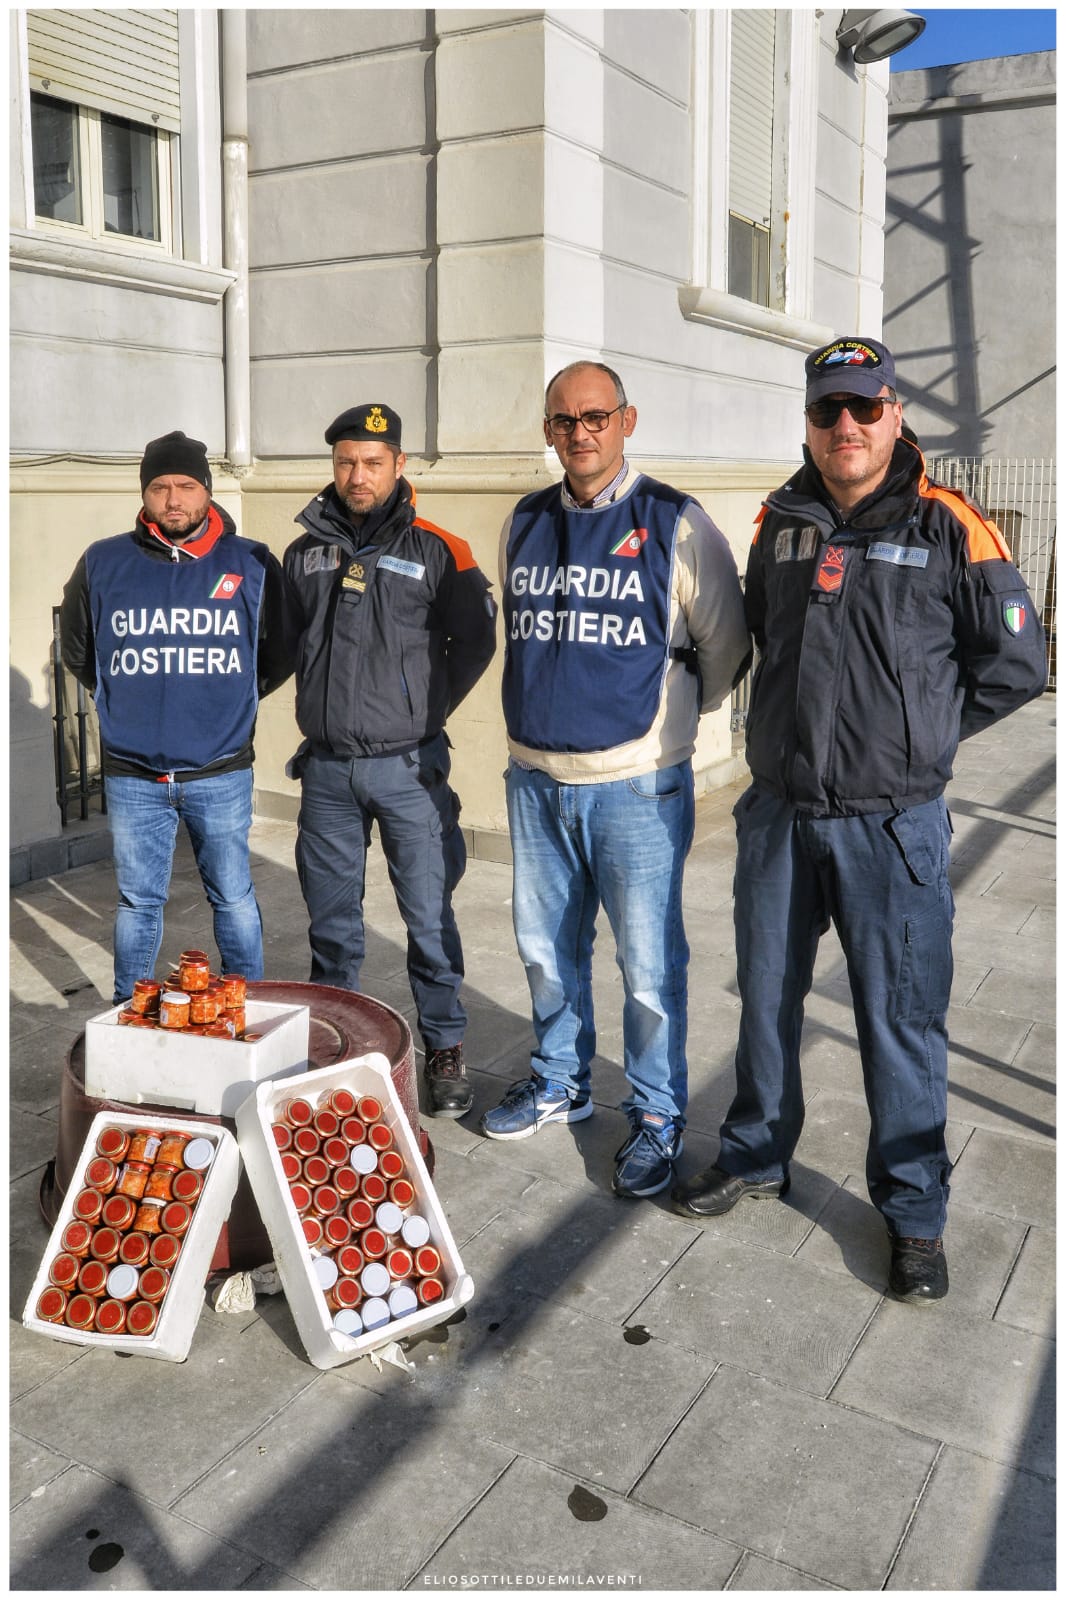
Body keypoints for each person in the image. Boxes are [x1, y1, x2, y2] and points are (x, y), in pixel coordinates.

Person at [671, 336, 1047, 1301]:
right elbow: (757, 634)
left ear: (896, 414)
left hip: (892, 827)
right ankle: (756, 1152)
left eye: (863, 409)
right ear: (808, 420)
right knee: (765, 996)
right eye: (827, 411)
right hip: (780, 817)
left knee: (900, 1021)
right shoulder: (781, 520)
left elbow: (1017, 667)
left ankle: (914, 1213)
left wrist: (918, 734)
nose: (845, 427)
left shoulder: (951, 525)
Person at [480, 361, 751, 1198]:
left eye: (596, 416)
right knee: (546, 951)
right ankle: (560, 1080)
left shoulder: (675, 519)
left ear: (627, 421)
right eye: (564, 420)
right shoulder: (524, 521)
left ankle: (658, 1112)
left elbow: (726, 646)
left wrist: (667, 726)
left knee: (648, 966)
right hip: (535, 781)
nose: (580, 433)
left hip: (635, 786)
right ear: (549, 430)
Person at [282, 404, 497, 1118]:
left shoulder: (442, 548)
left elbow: (474, 643)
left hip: (408, 773)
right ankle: (336, 1042)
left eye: (372, 462)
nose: (357, 476)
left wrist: (424, 713)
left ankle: (444, 1045)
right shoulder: (305, 550)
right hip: (327, 772)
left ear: (399, 465)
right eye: (346, 462)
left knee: (428, 918)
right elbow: (285, 645)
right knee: (332, 925)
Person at [60, 430, 292, 1004]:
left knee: (233, 896)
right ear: (145, 494)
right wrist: (126, 702)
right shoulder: (102, 561)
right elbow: (78, 651)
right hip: (134, 774)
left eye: (186, 486)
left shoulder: (254, 562)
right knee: (138, 902)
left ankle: (249, 1004)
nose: (173, 500)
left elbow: (280, 651)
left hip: (220, 770)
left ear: (207, 491)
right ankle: (126, 1011)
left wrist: (223, 701)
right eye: (160, 487)